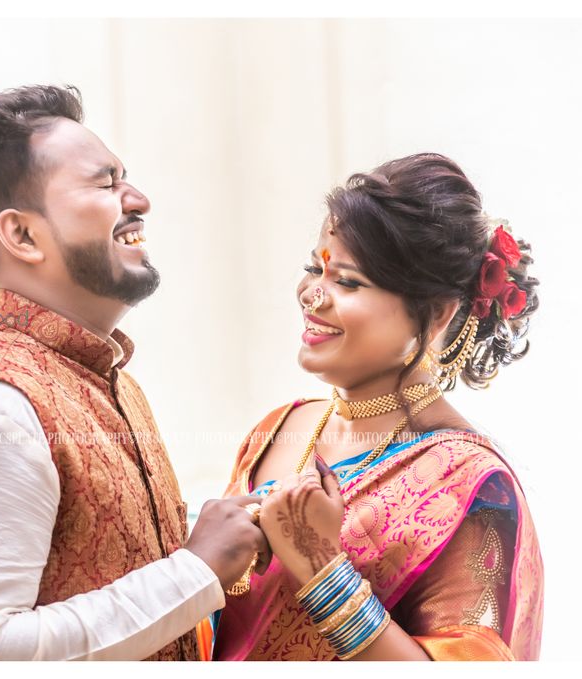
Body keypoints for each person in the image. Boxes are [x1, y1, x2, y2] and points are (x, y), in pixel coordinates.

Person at [0, 84, 269, 660]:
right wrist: (197, 569)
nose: (138, 199)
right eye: (105, 183)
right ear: (22, 235)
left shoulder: (104, 379)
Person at [213, 153, 544, 661]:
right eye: (314, 268)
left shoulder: (471, 485)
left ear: (436, 313)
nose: (311, 295)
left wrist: (320, 567)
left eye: (347, 282)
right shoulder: (280, 428)